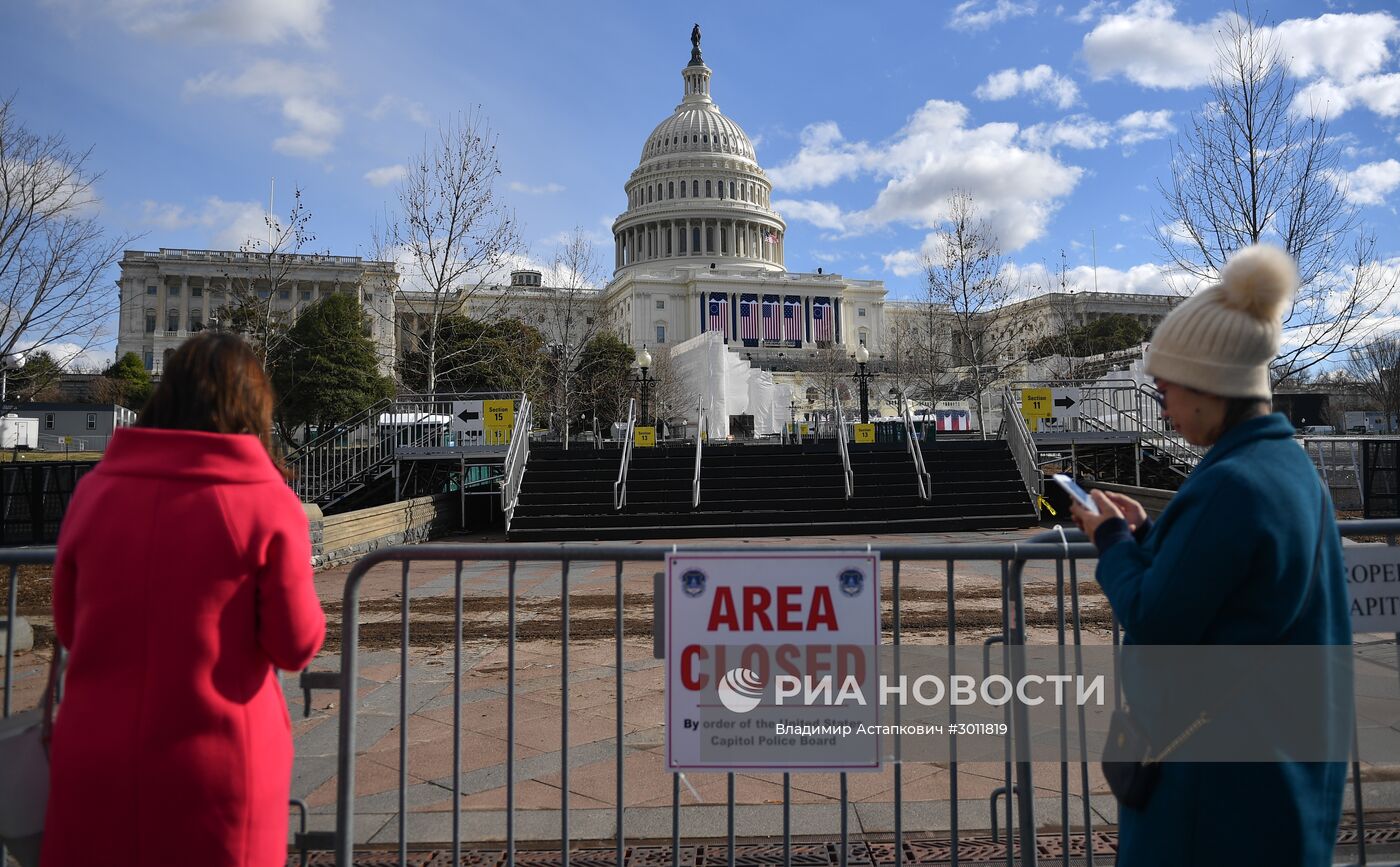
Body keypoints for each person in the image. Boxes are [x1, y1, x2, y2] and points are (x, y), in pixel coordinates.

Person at [1071, 245, 1351, 866]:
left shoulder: (1231, 483)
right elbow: (1228, 589)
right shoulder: (1287, 469)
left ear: (1210, 385)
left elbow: (1159, 618)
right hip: (1278, 775)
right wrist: (1150, 540)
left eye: (1166, 385)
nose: (1161, 401)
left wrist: (1111, 541)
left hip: (1215, 795)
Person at [42, 331, 325, 867]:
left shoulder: (94, 492)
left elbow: (71, 627)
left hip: (94, 756)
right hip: (218, 764)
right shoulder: (267, 501)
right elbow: (295, 645)